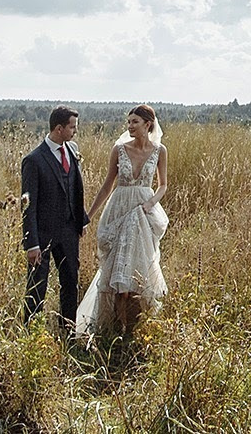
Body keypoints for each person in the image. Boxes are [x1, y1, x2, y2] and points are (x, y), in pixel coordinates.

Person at [75, 103, 168, 340]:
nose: (129, 126)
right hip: (119, 208)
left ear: (148, 124)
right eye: (128, 122)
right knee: (116, 274)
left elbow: (163, 184)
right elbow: (108, 184)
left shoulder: (160, 151)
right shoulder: (119, 149)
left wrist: (151, 203)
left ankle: (136, 330)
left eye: (134, 122)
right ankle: (114, 329)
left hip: (144, 211)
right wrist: (89, 215)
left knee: (140, 269)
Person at [20, 106, 87, 327]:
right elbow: (28, 205)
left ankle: (68, 331)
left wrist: (81, 220)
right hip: (43, 235)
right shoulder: (34, 160)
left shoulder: (72, 149)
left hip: (69, 232)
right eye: (72, 127)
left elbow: (76, 187)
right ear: (59, 128)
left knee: (70, 283)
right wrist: (32, 244)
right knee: (37, 287)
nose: (75, 131)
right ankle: (31, 335)